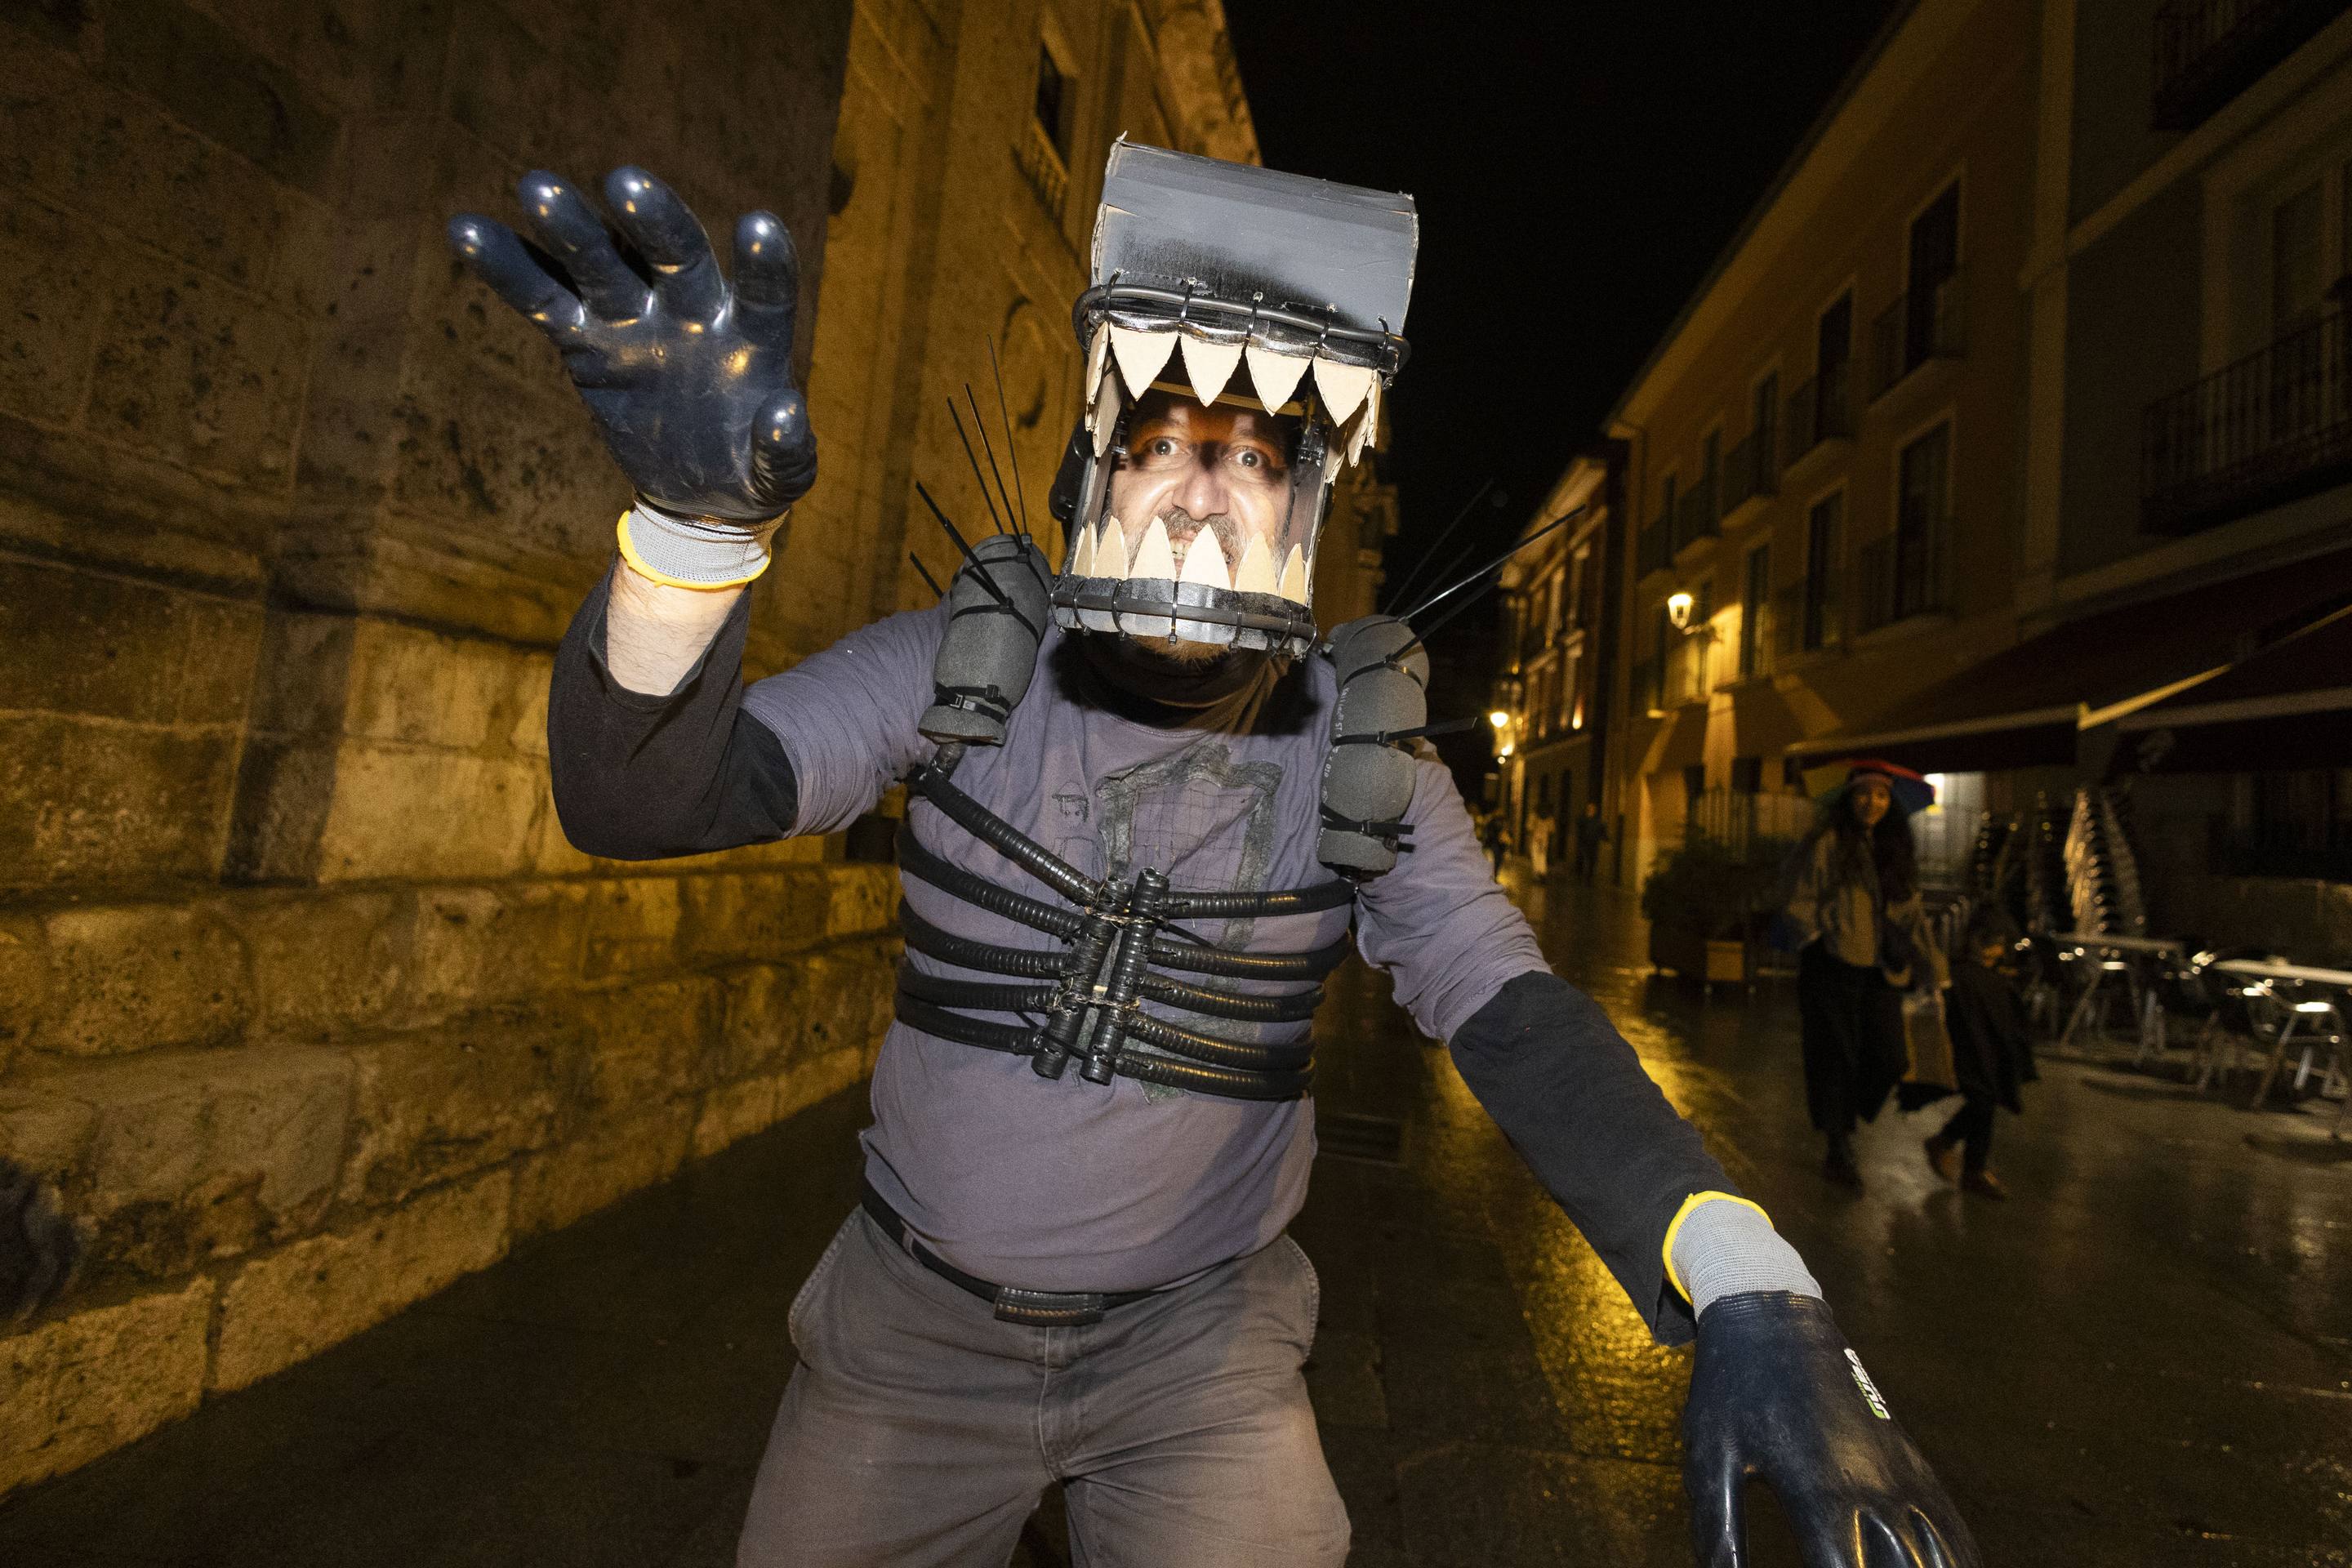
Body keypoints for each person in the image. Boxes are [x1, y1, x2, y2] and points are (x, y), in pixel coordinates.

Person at [448, 145, 1976, 1567]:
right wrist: (690, 538)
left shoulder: (1363, 752)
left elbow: (1508, 1009)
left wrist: (1746, 1273)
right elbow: (641, 800)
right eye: (1161, 443)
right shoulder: (958, 666)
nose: (1198, 490)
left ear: (1304, 507)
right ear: (1094, 480)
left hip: (1203, 1348)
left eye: (1253, 455)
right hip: (907, 1336)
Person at [1781, 762, 1947, 1191]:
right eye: (1863, 793)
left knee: (1891, 1057)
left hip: (1883, 971)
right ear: (1849, 798)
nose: (1871, 802)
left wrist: (1934, 970)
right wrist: (1820, 934)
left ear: (1891, 802)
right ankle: (1839, 1147)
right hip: (1833, 966)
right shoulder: (1830, 843)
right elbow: (1801, 898)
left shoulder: (1895, 849)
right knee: (1835, 1057)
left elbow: (1913, 915)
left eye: (1881, 795)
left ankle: (1845, 1114)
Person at [1920, 911, 2036, 1198]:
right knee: (1984, 1099)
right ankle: (1964, 1160)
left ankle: (1966, 1162)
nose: (2000, 951)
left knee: (1985, 1100)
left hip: (1983, 1052)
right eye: (1996, 943)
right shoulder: (1965, 976)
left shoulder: (1986, 977)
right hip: (1970, 1052)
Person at [1574, 800, 1609, 883]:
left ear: (1595, 810)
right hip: (1583, 842)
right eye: (1589, 808)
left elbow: (1602, 830)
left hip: (1593, 843)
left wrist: (1606, 839)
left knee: (1592, 860)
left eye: (1592, 808)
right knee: (1581, 858)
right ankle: (1579, 876)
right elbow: (1578, 825)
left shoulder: (1598, 821)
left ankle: (1589, 878)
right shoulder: (1583, 818)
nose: (1590, 809)